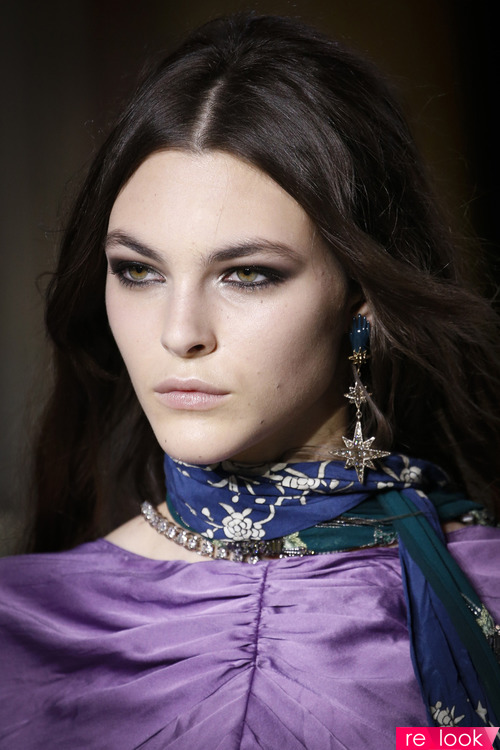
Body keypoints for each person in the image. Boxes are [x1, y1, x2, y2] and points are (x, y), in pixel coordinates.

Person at [1, 12, 499, 750]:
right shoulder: (22, 629)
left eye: (248, 274)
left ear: (360, 294)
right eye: (137, 271)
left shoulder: (481, 591)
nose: (179, 333)